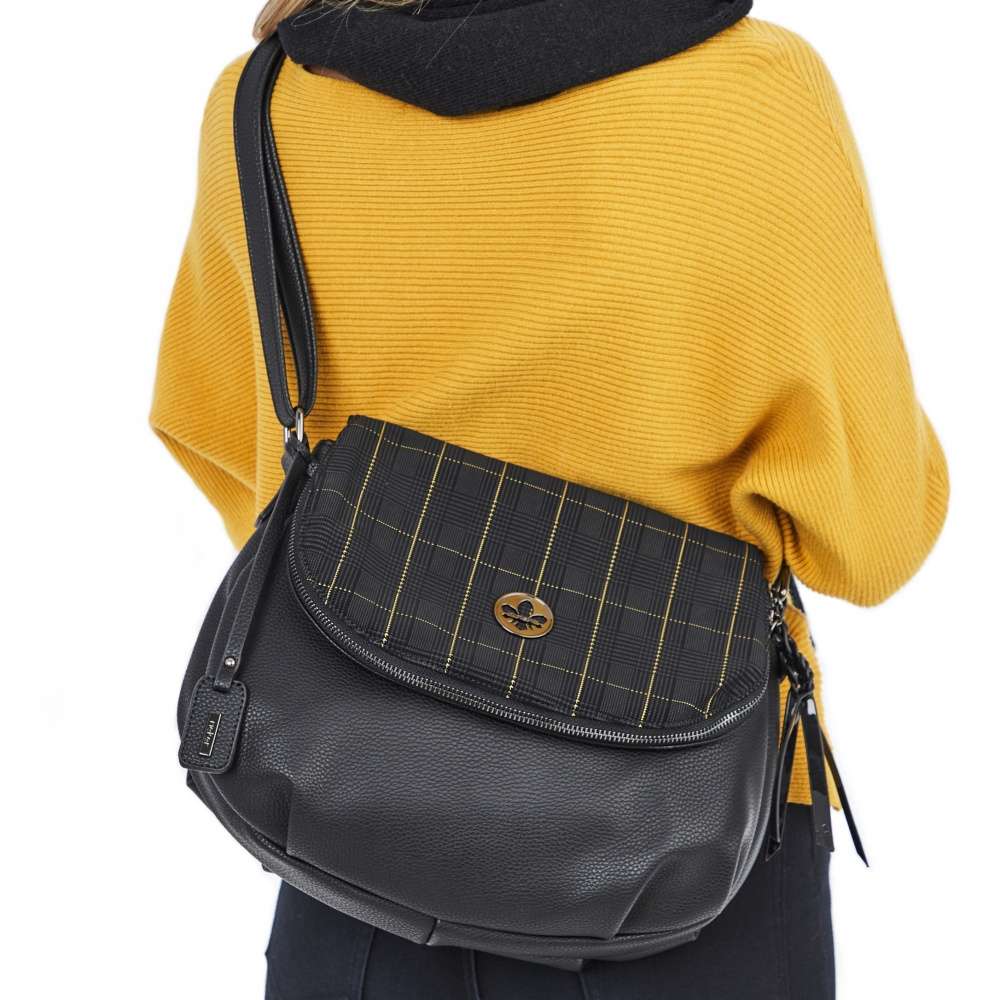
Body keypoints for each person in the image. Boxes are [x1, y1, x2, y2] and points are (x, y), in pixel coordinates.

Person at [151, 1, 949, 996]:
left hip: (350, 823)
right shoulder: (755, 97)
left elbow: (226, 447)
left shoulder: (264, 100)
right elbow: (872, 542)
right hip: (691, 830)